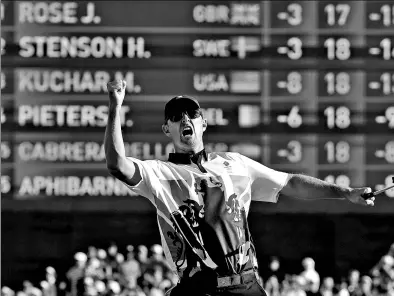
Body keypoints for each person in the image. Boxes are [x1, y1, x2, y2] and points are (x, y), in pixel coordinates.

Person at [104, 79, 375, 296]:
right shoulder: (159, 173)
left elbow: (289, 183)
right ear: (166, 129)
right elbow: (118, 164)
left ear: (203, 123)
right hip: (199, 288)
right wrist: (116, 106)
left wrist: (346, 193)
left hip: (245, 286)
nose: (185, 118)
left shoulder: (235, 165)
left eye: (192, 113)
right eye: (176, 116)